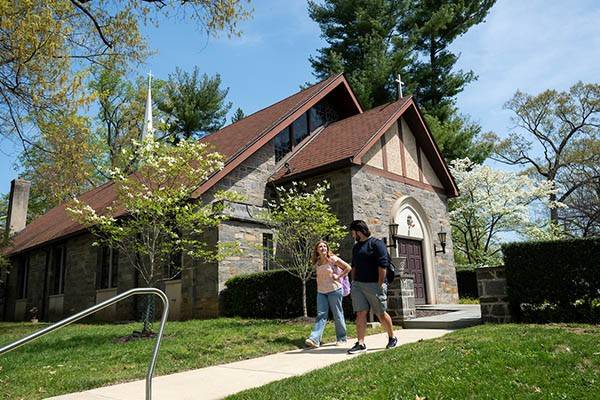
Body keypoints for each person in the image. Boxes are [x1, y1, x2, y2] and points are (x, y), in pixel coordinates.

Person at [347, 220, 398, 354]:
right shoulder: (356, 247)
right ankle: (361, 343)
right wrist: (353, 282)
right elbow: (354, 266)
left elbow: (383, 265)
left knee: (380, 313)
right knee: (360, 313)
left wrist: (380, 283)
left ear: (358, 231)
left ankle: (392, 337)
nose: (352, 235)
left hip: (375, 284)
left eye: (352, 232)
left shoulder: (376, 244)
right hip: (358, 284)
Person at [305, 240, 352, 348]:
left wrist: (338, 276)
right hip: (321, 292)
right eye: (320, 247)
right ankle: (315, 339)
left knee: (337, 314)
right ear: (317, 250)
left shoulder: (333, 259)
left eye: (324, 246)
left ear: (327, 248)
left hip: (335, 290)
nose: (323, 248)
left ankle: (342, 338)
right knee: (321, 315)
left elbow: (348, 268)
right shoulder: (317, 263)